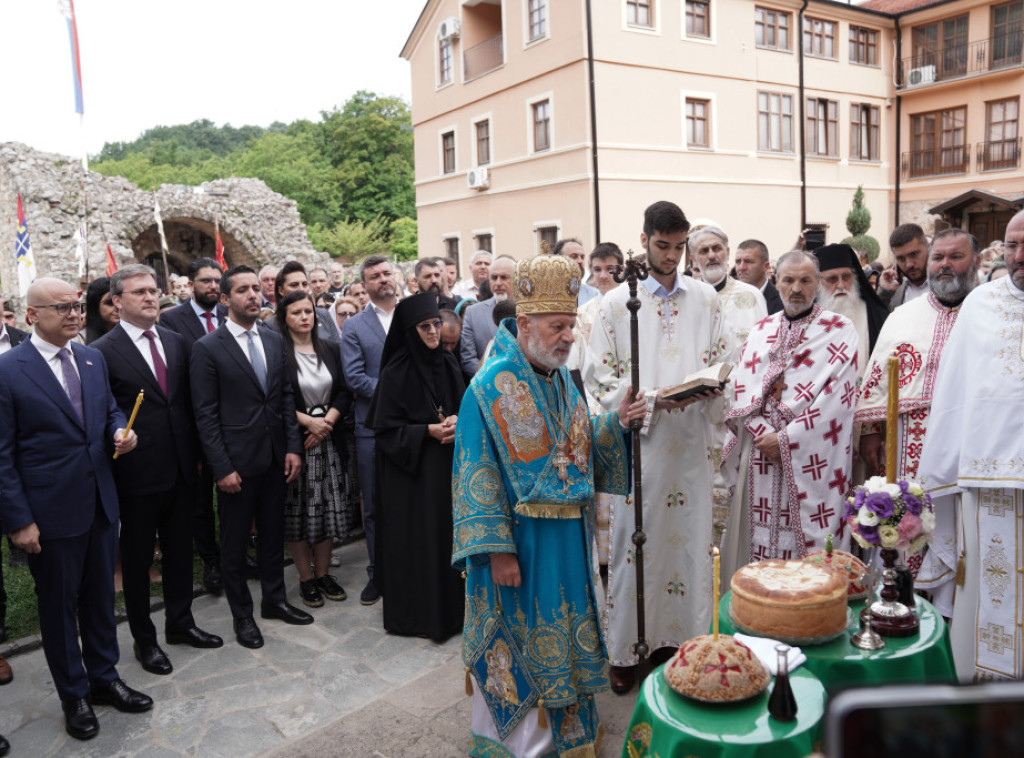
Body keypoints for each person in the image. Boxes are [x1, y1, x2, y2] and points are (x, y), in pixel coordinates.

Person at [453, 254, 645, 756]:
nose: (567, 337)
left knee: (564, 632)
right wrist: (497, 553)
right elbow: (476, 476)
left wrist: (616, 423)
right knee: (522, 642)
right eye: (557, 327)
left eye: (570, 326)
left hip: (566, 541)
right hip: (519, 547)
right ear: (525, 324)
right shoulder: (487, 388)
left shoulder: (559, 376)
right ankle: (519, 746)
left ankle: (569, 739)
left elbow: (571, 448)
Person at [586, 201, 729, 693]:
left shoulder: (705, 298)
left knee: (688, 543)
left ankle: (681, 642)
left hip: (690, 442)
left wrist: (713, 386)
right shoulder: (614, 303)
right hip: (640, 447)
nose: (671, 256)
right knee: (631, 546)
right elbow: (599, 372)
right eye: (662, 246)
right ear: (644, 239)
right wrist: (636, 403)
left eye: (678, 246)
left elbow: (721, 356)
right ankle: (625, 650)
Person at [0, 278, 150, 741]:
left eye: (76, 307)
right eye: (61, 307)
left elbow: (106, 413)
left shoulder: (92, 357)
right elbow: (2, 455)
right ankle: (74, 693)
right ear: (31, 315)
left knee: (100, 599)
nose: (73, 314)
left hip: (100, 503)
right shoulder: (8, 371)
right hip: (48, 513)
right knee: (59, 608)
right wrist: (19, 520)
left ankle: (105, 679)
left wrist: (119, 434)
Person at [93, 265, 224, 676]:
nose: (151, 297)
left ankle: (180, 623)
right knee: (135, 562)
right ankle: (144, 641)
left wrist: (201, 456)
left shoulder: (176, 340)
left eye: (154, 290)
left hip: (183, 468)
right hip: (135, 474)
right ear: (117, 301)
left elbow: (188, 404)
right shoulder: (101, 351)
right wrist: (116, 433)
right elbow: (103, 412)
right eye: (139, 292)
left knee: (180, 552)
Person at [918, 209, 1024, 682]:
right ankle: (989, 694)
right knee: (990, 586)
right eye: (1012, 246)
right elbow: (953, 394)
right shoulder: (982, 304)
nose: (1019, 257)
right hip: (989, 482)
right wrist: (939, 472)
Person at [855, 228, 979, 617]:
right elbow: (878, 380)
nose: (944, 265)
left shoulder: (987, 314)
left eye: (955, 257)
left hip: (969, 450)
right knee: (907, 531)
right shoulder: (903, 316)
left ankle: (954, 618)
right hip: (907, 448)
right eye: (939, 257)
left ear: (973, 261)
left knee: (961, 535)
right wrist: (872, 434)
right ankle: (901, 609)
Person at [190, 265, 313, 649]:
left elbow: (285, 398)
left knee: (274, 535)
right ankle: (242, 616)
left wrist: (293, 447)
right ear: (225, 299)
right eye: (242, 290)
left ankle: (275, 601)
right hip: (236, 465)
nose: (252, 295)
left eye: (256, 289)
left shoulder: (274, 340)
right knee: (234, 544)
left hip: (276, 457)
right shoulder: (207, 348)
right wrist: (221, 467)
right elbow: (205, 415)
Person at [721, 250, 858, 580]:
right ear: (776, 281)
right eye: (789, 280)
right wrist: (759, 430)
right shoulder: (760, 330)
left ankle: (807, 610)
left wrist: (786, 440)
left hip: (811, 454)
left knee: (806, 564)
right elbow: (739, 389)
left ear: (818, 284)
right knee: (755, 548)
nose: (796, 288)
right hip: (759, 455)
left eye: (806, 280)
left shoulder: (839, 329)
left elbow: (837, 401)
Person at [368, 293, 466, 640]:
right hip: (412, 477)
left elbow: (464, 407)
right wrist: (426, 430)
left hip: (446, 470)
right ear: (411, 330)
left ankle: (455, 613)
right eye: (425, 327)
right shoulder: (396, 372)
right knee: (420, 543)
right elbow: (383, 431)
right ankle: (420, 618)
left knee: (447, 539)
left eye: (436, 325)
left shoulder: (449, 363)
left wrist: (457, 422)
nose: (434, 333)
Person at [276, 292, 353, 608]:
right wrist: (308, 422)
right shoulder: (278, 353)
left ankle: (322, 574)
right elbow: (275, 398)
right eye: (297, 312)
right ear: (285, 318)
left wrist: (328, 422)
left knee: (327, 510)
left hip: (329, 440)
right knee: (298, 513)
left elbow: (345, 392)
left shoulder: (331, 349)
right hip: (298, 442)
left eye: (309, 311)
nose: (305, 317)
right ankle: (305, 579)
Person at [158, 257, 229, 594]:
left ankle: (235, 555)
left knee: (234, 494)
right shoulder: (171, 319)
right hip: (193, 422)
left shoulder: (231, 315)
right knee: (200, 499)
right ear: (191, 284)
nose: (212, 286)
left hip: (232, 423)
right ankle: (211, 561)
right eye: (205, 281)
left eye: (217, 281)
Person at [340, 255, 398, 606]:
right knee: (374, 505)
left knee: (410, 501)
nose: (382, 279)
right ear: (365, 285)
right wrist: (400, 394)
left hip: (413, 427)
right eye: (374, 276)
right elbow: (355, 377)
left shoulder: (412, 318)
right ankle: (378, 574)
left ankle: (410, 566)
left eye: (386, 273)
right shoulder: (355, 326)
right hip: (371, 428)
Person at [813, 243, 889, 381]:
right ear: (818, 282)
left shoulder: (875, 315)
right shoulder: (808, 319)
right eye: (832, 279)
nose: (841, 285)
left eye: (846, 277)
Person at [459, 255, 516, 376]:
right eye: (494, 278)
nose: (498, 283)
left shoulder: (530, 310)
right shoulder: (473, 313)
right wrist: (491, 379)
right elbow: (468, 359)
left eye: (504, 277)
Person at [272, 261, 341, 341]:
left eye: (304, 284)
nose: (301, 289)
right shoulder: (271, 325)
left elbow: (337, 348)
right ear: (281, 290)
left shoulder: (323, 315)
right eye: (294, 285)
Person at [878, 224, 930, 310]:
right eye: (901, 258)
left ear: (928, 248)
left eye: (914, 254)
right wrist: (885, 292)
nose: (909, 264)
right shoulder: (896, 293)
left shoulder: (947, 286)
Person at [735, 239, 784, 314]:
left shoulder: (782, 301)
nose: (741, 267)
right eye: (738, 262)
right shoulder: (727, 299)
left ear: (765, 266)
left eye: (749, 262)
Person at [553, 238, 600, 306]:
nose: (580, 261)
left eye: (582, 257)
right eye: (574, 256)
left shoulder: (594, 295)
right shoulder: (544, 295)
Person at [85, 276, 119, 343]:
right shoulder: (79, 340)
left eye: (120, 302)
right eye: (110, 303)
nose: (118, 308)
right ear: (95, 306)